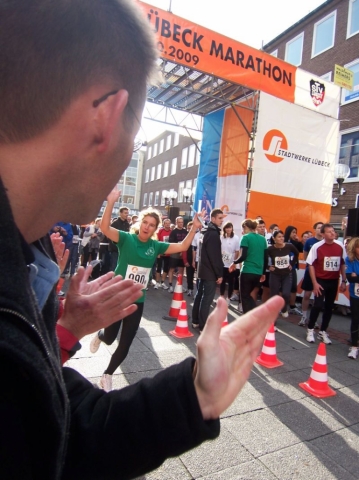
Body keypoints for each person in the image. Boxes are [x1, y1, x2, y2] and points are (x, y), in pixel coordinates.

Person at [0, 1, 284, 478]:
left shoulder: (33, 268)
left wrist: (195, 395)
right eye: (137, 129)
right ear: (108, 118)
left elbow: (62, 432)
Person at [92, 189, 204, 391]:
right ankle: (100, 336)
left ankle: (107, 374)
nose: (147, 227)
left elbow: (182, 246)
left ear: (155, 228)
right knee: (109, 338)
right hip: (118, 296)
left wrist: (194, 228)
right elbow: (105, 227)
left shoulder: (157, 245)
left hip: (138, 299)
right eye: (145, 222)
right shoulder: (126, 239)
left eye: (152, 225)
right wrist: (110, 202)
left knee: (125, 343)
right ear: (140, 223)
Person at [305, 224, 347, 344]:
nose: (332, 233)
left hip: (333, 280)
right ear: (323, 234)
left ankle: (323, 331)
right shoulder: (317, 247)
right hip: (320, 280)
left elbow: (343, 263)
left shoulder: (340, 246)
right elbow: (311, 264)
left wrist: (343, 280)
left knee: (329, 306)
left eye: (333, 231)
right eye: (329, 232)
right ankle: (310, 328)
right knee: (318, 305)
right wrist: (315, 283)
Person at [192, 209, 224, 332]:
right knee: (206, 299)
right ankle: (202, 326)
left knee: (200, 296)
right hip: (209, 272)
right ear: (213, 219)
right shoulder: (213, 233)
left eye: (222, 218)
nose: (222, 220)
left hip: (203, 271)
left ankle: (196, 321)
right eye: (220, 218)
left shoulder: (206, 232)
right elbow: (214, 257)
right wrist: (219, 274)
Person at [230, 219, 268, 314]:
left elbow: (243, 256)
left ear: (246, 227)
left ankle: (250, 318)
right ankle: (254, 315)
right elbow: (266, 258)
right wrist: (263, 273)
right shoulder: (262, 239)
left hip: (247, 271)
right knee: (249, 295)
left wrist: (234, 262)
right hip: (258, 272)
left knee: (244, 296)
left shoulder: (245, 237)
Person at [268, 230, 299, 317]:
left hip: (286, 274)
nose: (281, 238)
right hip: (275, 274)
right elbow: (264, 259)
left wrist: (292, 264)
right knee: (274, 294)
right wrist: (268, 267)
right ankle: (273, 317)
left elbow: (297, 254)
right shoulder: (270, 249)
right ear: (274, 239)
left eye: (282, 236)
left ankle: (284, 308)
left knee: (286, 293)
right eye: (279, 237)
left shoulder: (289, 246)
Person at [298, 222, 323, 327]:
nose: (320, 229)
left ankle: (313, 319)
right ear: (314, 229)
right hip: (310, 271)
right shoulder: (309, 241)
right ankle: (304, 316)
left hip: (321, 274)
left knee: (317, 298)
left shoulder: (326, 242)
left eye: (322, 228)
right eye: (318, 228)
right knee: (307, 295)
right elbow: (306, 257)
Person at [345, 237, 359, 359]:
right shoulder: (350, 260)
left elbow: (355, 277)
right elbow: (350, 278)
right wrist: (354, 276)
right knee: (355, 319)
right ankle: (354, 346)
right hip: (355, 295)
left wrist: (357, 276)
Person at [284, 225, 303, 315]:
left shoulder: (295, 242)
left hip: (293, 267)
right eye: (293, 232)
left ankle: (292, 306)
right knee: (283, 288)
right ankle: (282, 306)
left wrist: (298, 241)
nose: (295, 234)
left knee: (293, 287)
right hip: (283, 268)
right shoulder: (283, 241)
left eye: (295, 232)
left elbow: (301, 249)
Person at [220, 221, 240, 305]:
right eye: (227, 228)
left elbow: (237, 251)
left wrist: (234, 262)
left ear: (232, 228)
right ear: (224, 229)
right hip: (222, 263)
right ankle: (221, 297)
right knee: (222, 281)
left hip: (231, 263)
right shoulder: (221, 237)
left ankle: (228, 298)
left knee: (231, 281)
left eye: (230, 227)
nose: (228, 229)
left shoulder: (235, 238)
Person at [168, 216, 188, 293]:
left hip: (183, 253)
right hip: (175, 252)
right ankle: (170, 285)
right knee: (172, 269)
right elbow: (171, 242)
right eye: (179, 222)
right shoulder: (173, 232)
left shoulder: (185, 231)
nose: (181, 224)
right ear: (176, 223)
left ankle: (180, 285)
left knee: (181, 270)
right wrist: (178, 249)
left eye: (182, 222)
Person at [108, 206, 130, 271]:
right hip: (115, 249)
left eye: (127, 213)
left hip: (124, 249)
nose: (127, 215)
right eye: (125, 213)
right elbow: (110, 236)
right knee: (114, 266)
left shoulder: (127, 224)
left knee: (122, 266)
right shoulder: (115, 224)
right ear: (120, 213)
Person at [154, 218, 171, 289]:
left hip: (168, 252)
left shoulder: (171, 231)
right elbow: (156, 241)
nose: (167, 225)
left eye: (168, 223)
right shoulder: (160, 231)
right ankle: (157, 282)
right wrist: (157, 252)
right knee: (159, 267)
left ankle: (162, 282)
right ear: (163, 224)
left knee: (166, 268)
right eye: (166, 223)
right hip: (160, 252)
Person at [182, 221, 196, 297]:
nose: (190, 230)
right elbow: (184, 249)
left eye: (191, 228)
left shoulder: (198, 236)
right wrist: (185, 260)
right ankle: (190, 289)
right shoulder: (186, 237)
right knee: (189, 275)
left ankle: (198, 292)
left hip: (197, 259)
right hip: (189, 259)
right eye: (189, 228)